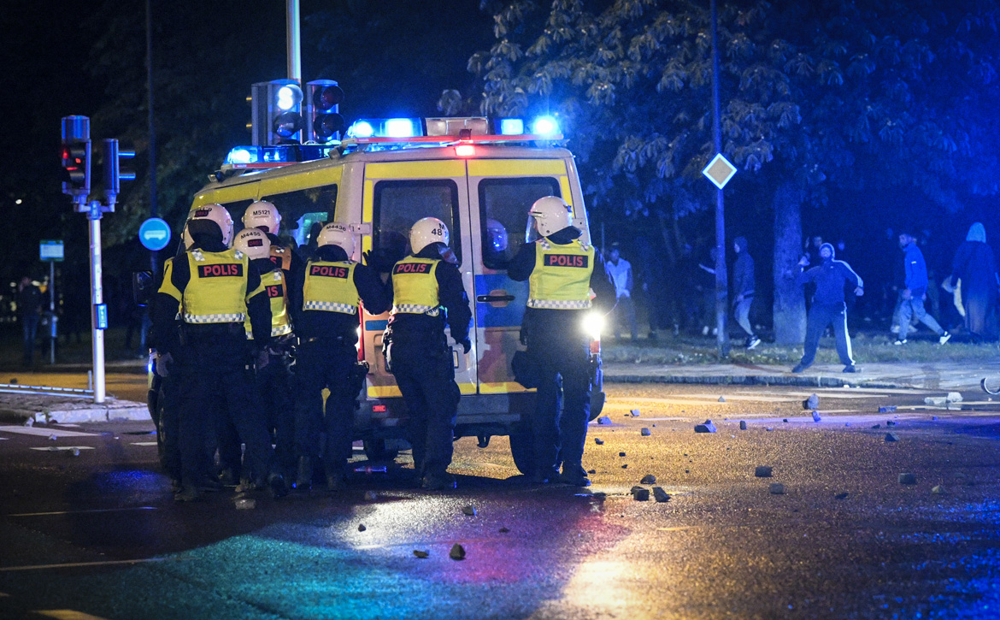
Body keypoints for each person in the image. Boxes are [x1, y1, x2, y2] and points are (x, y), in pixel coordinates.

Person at [151, 204, 287, 502]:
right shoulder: (242, 262)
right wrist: (261, 346)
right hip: (235, 353)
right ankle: (263, 474)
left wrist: (163, 350)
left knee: (193, 420)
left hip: (196, 355)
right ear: (224, 230)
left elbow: (162, 312)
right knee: (248, 416)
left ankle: (192, 483)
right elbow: (260, 307)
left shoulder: (181, 265)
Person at [508, 196, 615, 487]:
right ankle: (574, 467)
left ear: (543, 223)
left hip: (543, 339)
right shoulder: (589, 253)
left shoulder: (535, 252)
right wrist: (585, 312)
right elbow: (609, 297)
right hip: (576, 338)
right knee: (577, 401)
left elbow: (513, 271)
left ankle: (545, 467)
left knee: (546, 401)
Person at [289, 223, 389, 492]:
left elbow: (294, 310)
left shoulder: (306, 270)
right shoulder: (355, 271)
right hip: (341, 351)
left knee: (306, 407)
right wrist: (380, 274)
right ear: (348, 247)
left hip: (309, 349)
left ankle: (304, 468)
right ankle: (334, 471)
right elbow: (379, 305)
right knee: (340, 410)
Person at [383, 217, 471, 491]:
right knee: (441, 408)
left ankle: (421, 467)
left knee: (418, 410)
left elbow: (388, 300)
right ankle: (434, 472)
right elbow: (458, 308)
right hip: (427, 349)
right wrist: (461, 337)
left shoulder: (399, 267)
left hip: (399, 349)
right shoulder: (442, 269)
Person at [234, 228, 297, 485]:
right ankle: (284, 468)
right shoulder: (281, 275)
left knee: (253, 416)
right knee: (284, 413)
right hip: (281, 354)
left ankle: (257, 472)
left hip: (249, 355)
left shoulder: (238, 279)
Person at [791, 243, 864, 373]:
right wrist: (800, 265)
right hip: (819, 307)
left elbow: (855, 277)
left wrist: (860, 287)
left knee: (842, 335)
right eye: (822, 250)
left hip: (837, 307)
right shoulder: (816, 269)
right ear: (820, 254)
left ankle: (849, 364)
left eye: (827, 250)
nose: (825, 252)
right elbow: (798, 279)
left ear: (832, 252)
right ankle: (804, 363)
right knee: (812, 335)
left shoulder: (840, 265)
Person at [896, 231, 951, 345]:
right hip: (917, 288)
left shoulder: (913, 253)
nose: (900, 240)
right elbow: (922, 272)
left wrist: (910, 289)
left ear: (910, 238)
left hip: (915, 289)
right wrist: (923, 291)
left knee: (919, 313)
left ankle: (943, 333)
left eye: (903, 238)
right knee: (904, 310)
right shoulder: (911, 252)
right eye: (900, 238)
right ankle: (902, 338)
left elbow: (917, 273)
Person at [948, 222, 998, 341]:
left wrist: (953, 281)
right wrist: (996, 283)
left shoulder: (964, 247)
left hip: (969, 284)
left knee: (970, 307)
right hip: (985, 285)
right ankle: (983, 332)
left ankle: (974, 332)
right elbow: (993, 268)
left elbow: (957, 266)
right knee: (983, 308)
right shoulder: (986, 248)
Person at [732, 237, 760, 349]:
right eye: (734, 245)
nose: (735, 247)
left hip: (746, 292)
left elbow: (746, 276)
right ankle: (749, 338)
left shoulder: (746, 259)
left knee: (741, 315)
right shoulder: (740, 259)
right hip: (741, 291)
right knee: (737, 314)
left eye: (737, 245)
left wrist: (741, 292)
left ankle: (753, 336)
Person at [605, 242, 637, 341]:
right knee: (615, 317)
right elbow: (607, 281)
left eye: (616, 252)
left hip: (625, 294)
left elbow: (630, 279)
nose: (614, 255)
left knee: (630, 315)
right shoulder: (607, 266)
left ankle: (634, 336)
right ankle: (617, 336)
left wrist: (627, 290)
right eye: (612, 253)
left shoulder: (626, 264)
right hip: (614, 295)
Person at [17, 277, 42, 366]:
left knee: (32, 336)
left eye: (25, 280)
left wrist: (39, 308)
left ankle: (30, 357)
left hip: (33, 315)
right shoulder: (23, 290)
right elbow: (20, 301)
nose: (24, 281)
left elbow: (40, 299)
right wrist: (20, 291)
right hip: (26, 315)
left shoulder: (35, 289)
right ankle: (27, 357)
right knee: (27, 337)